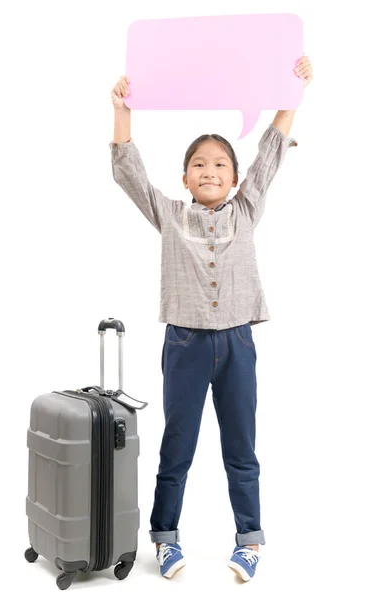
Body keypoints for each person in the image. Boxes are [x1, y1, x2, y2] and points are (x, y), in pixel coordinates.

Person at [109, 56, 313, 581]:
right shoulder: (170, 216)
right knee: (177, 445)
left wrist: (293, 88)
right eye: (199, 164)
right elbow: (128, 171)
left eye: (220, 164)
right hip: (185, 345)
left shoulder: (247, 209)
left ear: (235, 177)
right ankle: (165, 537)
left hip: (238, 345)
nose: (210, 171)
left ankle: (250, 540)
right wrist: (121, 109)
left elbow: (270, 151)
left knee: (241, 446)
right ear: (185, 177)